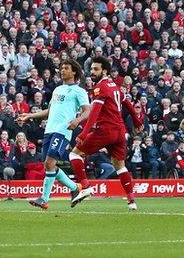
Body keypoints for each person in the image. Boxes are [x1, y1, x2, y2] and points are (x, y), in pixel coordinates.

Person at [69, 56, 143, 210]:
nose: (92, 72)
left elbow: (94, 112)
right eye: (91, 69)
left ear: (105, 71)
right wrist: (137, 122)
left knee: (74, 154)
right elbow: (127, 103)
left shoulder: (100, 87)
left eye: (96, 69)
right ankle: (131, 201)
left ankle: (86, 186)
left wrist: (84, 132)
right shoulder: (114, 86)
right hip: (119, 131)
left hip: (106, 130)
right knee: (120, 166)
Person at [18, 59, 90, 210]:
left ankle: (44, 199)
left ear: (74, 71)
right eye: (61, 68)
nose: (62, 70)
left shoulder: (79, 91)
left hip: (63, 130)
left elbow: (87, 110)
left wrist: (77, 120)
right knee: (48, 166)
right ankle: (74, 188)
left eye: (66, 68)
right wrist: (29, 116)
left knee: (50, 163)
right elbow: (50, 111)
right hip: (49, 130)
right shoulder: (57, 90)